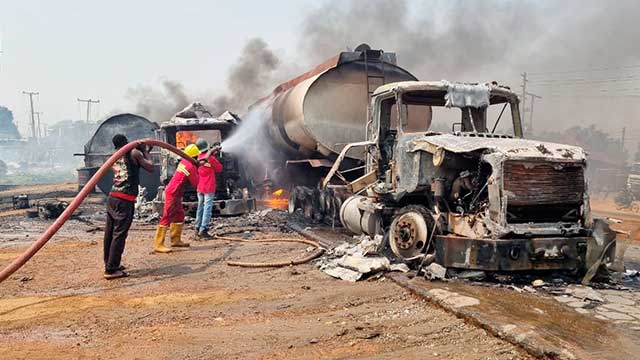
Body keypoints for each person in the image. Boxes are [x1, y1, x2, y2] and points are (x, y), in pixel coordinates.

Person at [103, 134, 154, 280]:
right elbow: (150, 167)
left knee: (110, 233)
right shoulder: (134, 153)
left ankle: (110, 263)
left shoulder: (114, 155)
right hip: (124, 199)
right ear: (126, 142)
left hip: (113, 197)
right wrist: (145, 151)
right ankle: (111, 270)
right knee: (119, 234)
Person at [153, 143, 200, 253]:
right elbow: (196, 183)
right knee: (167, 216)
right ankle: (158, 244)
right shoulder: (190, 166)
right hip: (173, 193)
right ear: (194, 157)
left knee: (179, 215)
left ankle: (175, 240)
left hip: (176, 193)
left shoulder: (184, 162)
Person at [194, 139, 223, 239]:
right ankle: (204, 229)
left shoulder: (199, 157)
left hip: (200, 186)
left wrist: (212, 154)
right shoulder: (210, 158)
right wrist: (215, 156)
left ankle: (197, 228)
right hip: (209, 186)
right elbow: (219, 169)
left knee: (200, 207)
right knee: (207, 208)